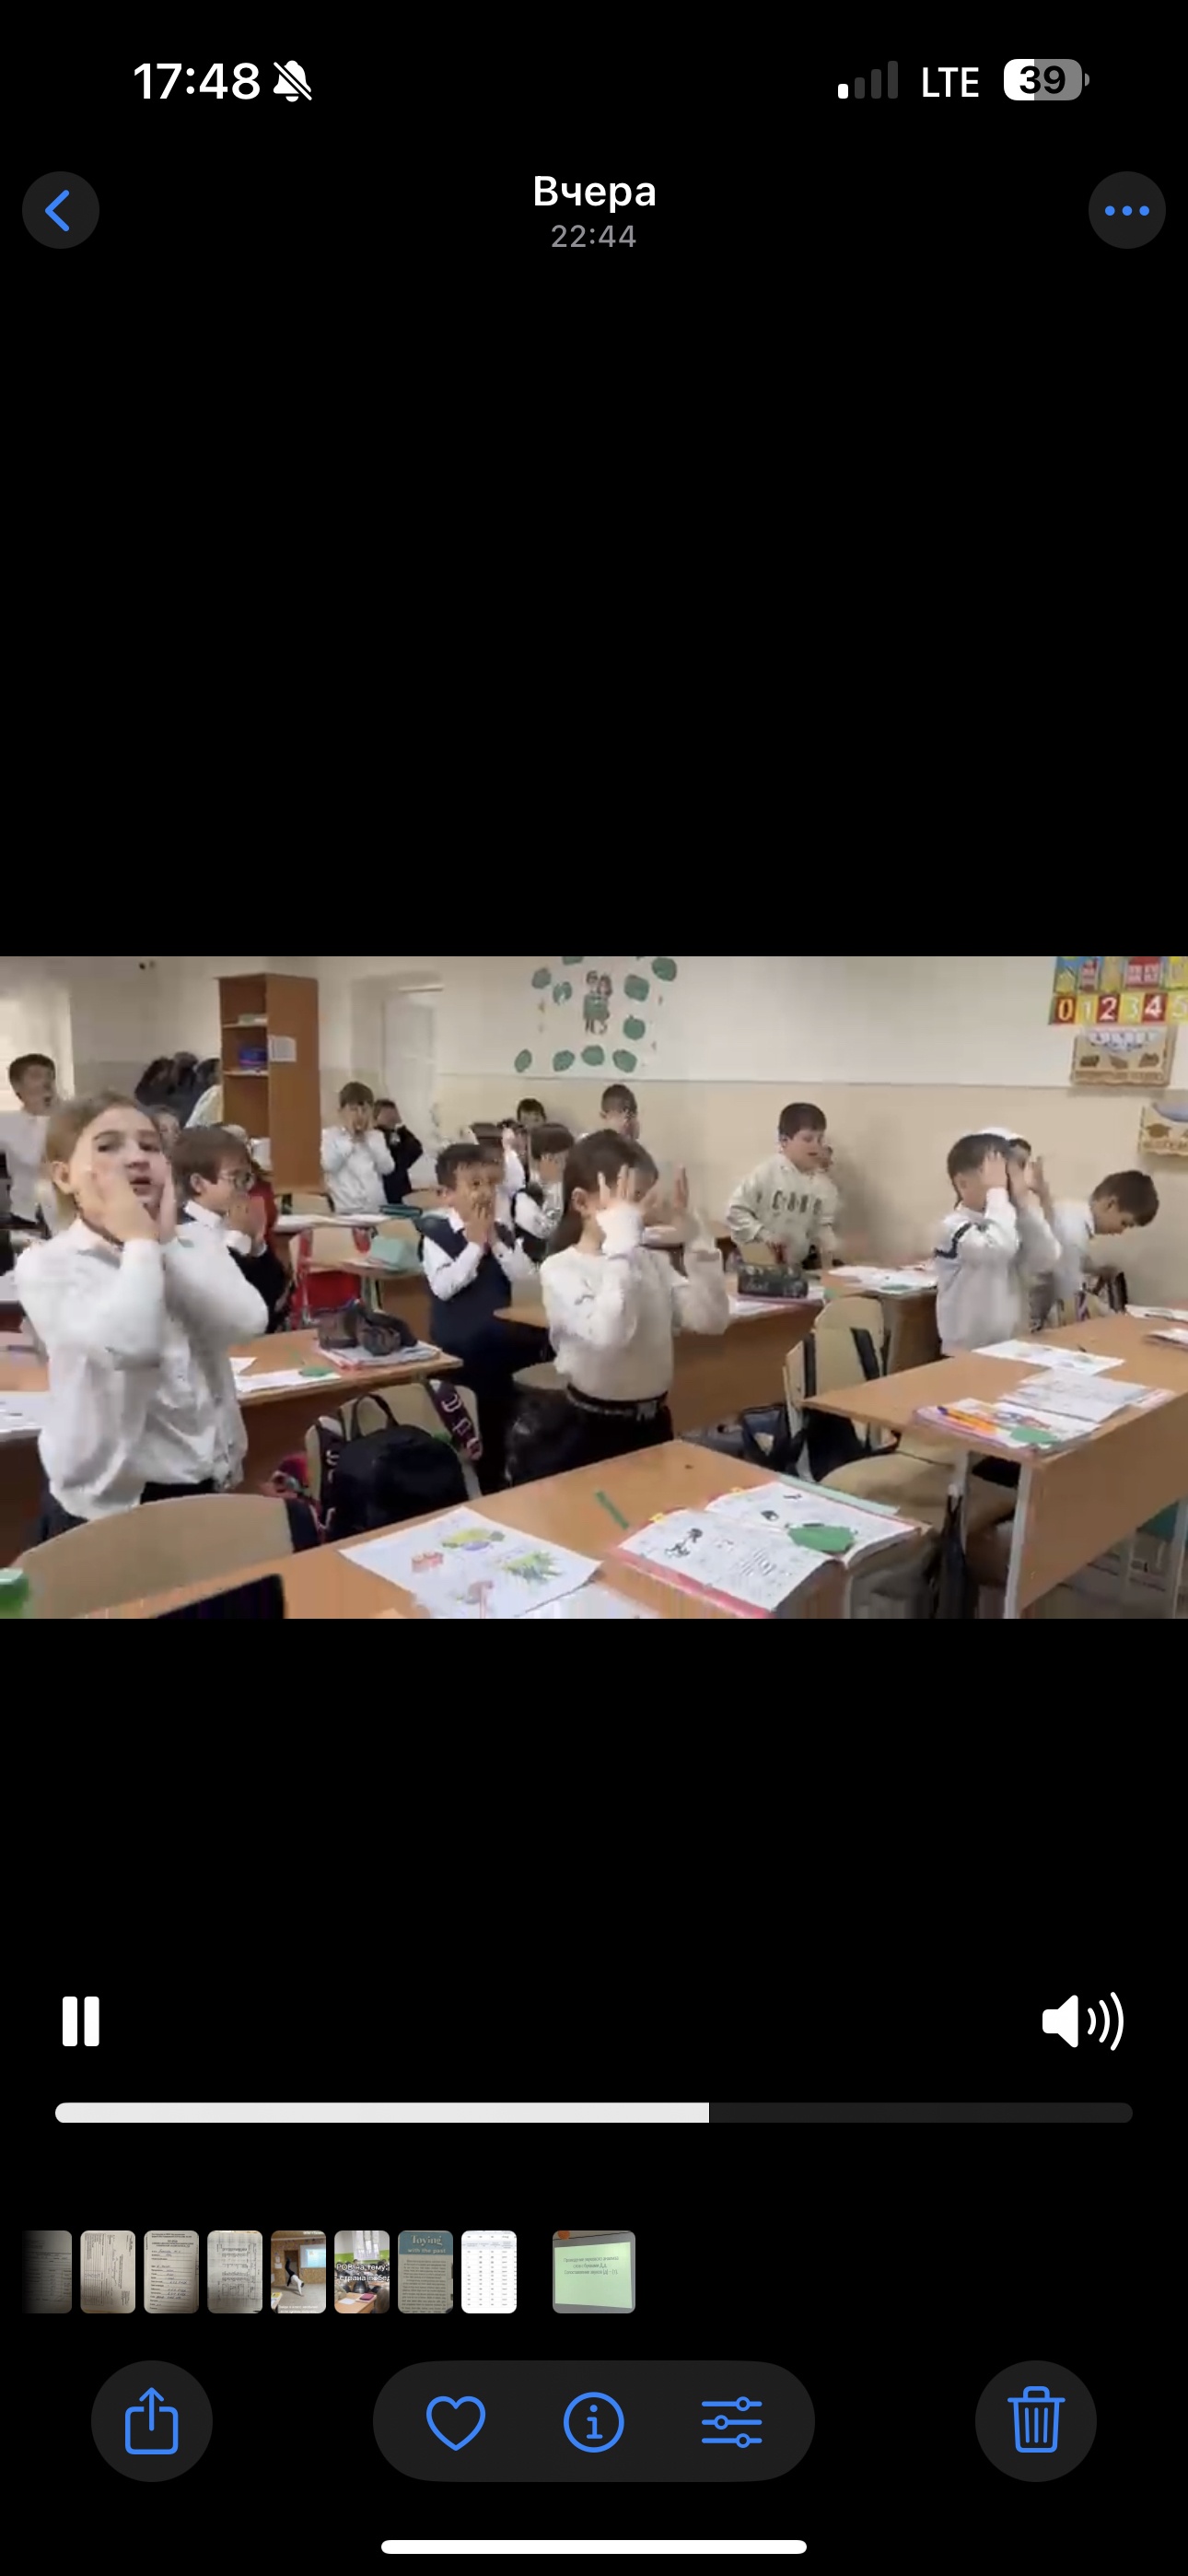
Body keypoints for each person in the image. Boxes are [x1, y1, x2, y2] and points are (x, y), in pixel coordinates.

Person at [14, 1093, 267, 1537]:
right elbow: (132, 1345)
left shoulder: (195, 1243)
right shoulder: (50, 1264)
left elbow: (247, 1322)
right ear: (65, 1176)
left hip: (208, 1480)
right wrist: (141, 1244)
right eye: (108, 1146)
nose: (136, 1158)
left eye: (149, 1146)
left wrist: (166, 1243)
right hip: (108, 1503)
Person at [512, 1130, 728, 1482]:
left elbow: (711, 1320)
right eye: (631, 1199)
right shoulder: (561, 1269)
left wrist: (697, 1241)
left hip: (653, 1422)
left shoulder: (650, 1261)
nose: (641, 1214)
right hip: (591, 1429)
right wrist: (622, 1247)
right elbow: (609, 1337)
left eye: (644, 1198)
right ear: (582, 1202)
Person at [421, 1142, 543, 1493]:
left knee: (533, 1358)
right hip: (461, 1344)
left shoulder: (501, 1231)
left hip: (503, 1340)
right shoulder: (436, 1236)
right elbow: (444, 1287)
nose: (485, 1192)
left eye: (490, 1183)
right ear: (447, 1195)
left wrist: (496, 1243)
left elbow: (526, 1278)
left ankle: (520, 1461)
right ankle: (487, 1475)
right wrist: (474, 1246)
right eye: (474, 1184)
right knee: (484, 1399)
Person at [933, 1134, 1062, 1354]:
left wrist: (1023, 1207)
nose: (1006, 1186)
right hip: (964, 1351)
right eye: (998, 1178)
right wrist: (997, 1194)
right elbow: (998, 1248)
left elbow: (1048, 1257)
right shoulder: (953, 1227)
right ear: (963, 1183)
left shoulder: (1008, 1222)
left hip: (1009, 1343)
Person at [172, 1126, 291, 1332]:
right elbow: (220, 1300)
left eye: (246, 1177)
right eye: (235, 1178)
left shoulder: (234, 1220)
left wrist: (257, 1247)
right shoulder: (179, 1232)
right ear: (198, 1183)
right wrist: (238, 1239)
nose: (243, 1188)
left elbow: (274, 1294)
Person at [1031, 1167, 1159, 1323]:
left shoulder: (1071, 1212)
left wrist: (1096, 1269)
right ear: (1110, 1204)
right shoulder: (1073, 1231)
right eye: (1124, 1223)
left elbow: (1075, 1260)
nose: (1121, 1232)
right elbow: (1070, 1294)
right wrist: (1111, 1316)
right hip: (1029, 1315)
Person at [727, 1101, 840, 1273]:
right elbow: (736, 1209)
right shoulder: (767, 1173)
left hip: (791, 1267)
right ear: (784, 1141)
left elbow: (821, 1227)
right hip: (753, 1264)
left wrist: (829, 1256)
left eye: (820, 1139)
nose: (815, 1145)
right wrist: (764, 1235)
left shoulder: (823, 1186)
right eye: (807, 1139)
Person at [0, 1052, 58, 1235]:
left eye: (50, 1076)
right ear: (17, 1086)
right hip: (24, 1216)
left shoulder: (70, 1120)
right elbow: (31, 1157)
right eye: (36, 1076)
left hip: (65, 1215)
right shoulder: (5, 1123)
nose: (46, 1082)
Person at [320, 1083, 395, 1214]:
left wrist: (370, 1142)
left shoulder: (376, 1137)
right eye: (353, 1110)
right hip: (346, 1210)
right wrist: (350, 1140)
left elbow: (388, 1168)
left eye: (365, 1110)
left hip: (376, 1209)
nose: (360, 1115)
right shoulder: (330, 1135)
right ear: (341, 1112)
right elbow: (329, 1165)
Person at [514, 1121, 574, 1259]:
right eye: (559, 1160)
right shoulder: (524, 1199)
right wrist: (554, 1186)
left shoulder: (571, 1190)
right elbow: (546, 1231)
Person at [374, 1099, 425, 1204]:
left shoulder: (400, 1136)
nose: (390, 1117)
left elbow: (416, 1151)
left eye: (392, 1113)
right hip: (386, 1190)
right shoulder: (375, 1137)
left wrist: (403, 1132)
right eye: (386, 1114)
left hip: (400, 1188)